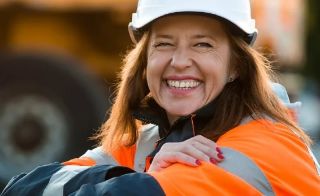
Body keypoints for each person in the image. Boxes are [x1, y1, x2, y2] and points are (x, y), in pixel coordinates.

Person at [2, 0, 320, 195]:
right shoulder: (150, 145)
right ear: (145, 60)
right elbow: (19, 188)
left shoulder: (266, 147)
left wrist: (143, 178)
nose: (179, 61)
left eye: (202, 45)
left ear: (236, 66)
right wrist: (135, 172)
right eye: (164, 44)